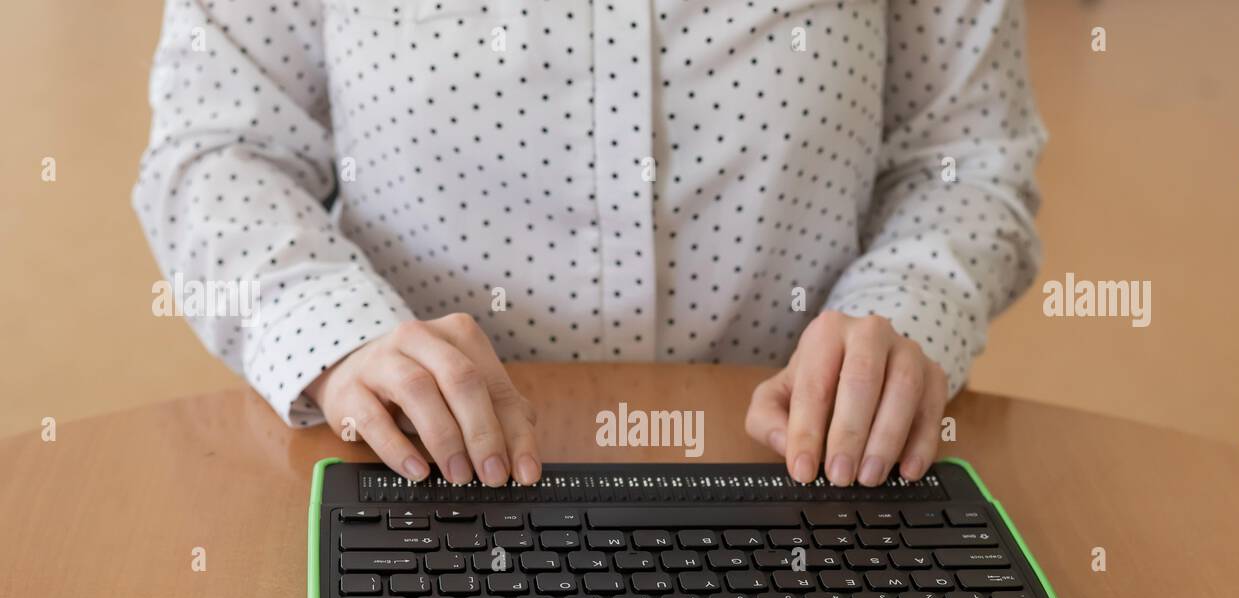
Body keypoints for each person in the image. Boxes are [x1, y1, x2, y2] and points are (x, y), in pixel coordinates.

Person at [134, 0, 1045, 488]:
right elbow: (220, 149)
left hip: (805, 474)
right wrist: (339, 340)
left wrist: (902, 309)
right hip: (417, 478)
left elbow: (962, 157)